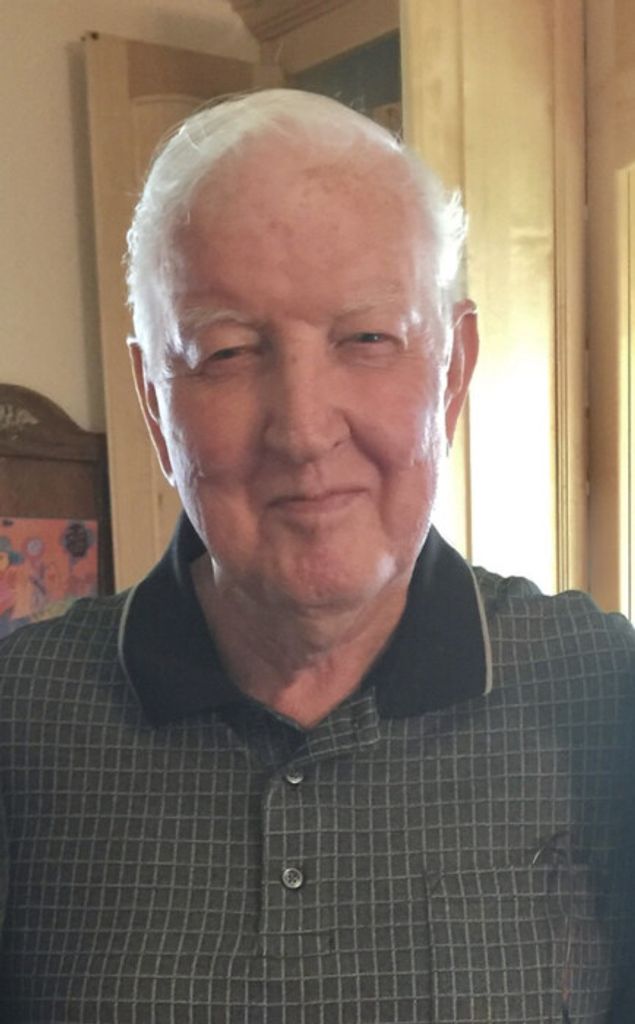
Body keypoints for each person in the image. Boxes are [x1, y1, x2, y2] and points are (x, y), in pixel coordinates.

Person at [0, 89, 633, 1023]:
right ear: (153, 401)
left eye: (367, 339)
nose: (301, 430)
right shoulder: (21, 717)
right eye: (226, 351)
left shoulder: (604, 695)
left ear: (452, 372)